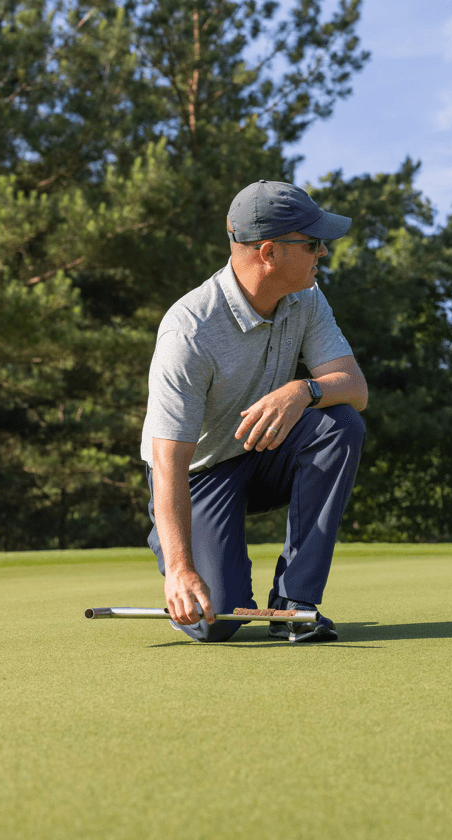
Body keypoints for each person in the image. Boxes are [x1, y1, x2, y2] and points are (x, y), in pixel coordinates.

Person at [140, 180, 368, 643]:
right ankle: (172, 544)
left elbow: (355, 389)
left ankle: (294, 603)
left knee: (341, 424)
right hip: (198, 476)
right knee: (217, 622)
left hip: (262, 456)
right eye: (310, 243)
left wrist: (303, 390)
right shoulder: (188, 331)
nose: (322, 251)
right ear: (268, 252)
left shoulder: (307, 295)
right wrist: (181, 570)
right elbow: (168, 460)